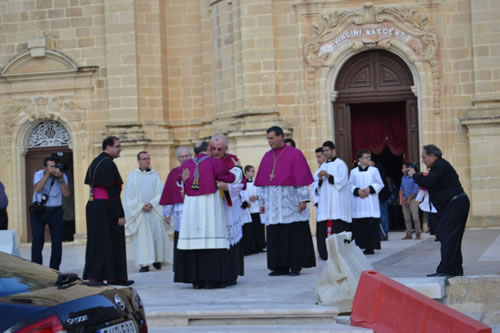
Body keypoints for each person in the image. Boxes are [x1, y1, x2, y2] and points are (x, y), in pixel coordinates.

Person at [175, 141, 241, 288]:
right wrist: (238, 168)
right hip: (210, 204)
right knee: (212, 242)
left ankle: (197, 281)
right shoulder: (215, 162)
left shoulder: (186, 164)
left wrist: (184, 182)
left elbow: (180, 181)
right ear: (209, 149)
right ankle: (212, 280)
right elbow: (230, 178)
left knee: (195, 243)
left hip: (192, 207)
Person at [255, 126, 316, 276]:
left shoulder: (295, 154)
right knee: (276, 235)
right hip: (273, 203)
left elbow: (301, 179)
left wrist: (303, 200)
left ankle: (295, 265)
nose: (269, 141)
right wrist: (261, 202)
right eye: (268, 138)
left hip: (291, 201)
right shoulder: (267, 156)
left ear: (281, 136)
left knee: (293, 234)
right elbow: (262, 182)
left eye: (271, 138)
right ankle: (279, 266)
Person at [408, 144, 469, 277]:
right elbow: (430, 181)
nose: (423, 161)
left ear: (433, 156)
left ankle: (446, 269)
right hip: (453, 204)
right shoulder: (439, 166)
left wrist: (414, 175)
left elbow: (428, 182)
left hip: (455, 203)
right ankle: (455, 269)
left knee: (447, 235)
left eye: (424, 157)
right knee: (450, 236)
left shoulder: (440, 165)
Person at [83, 136, 133, 286]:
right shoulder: (108, 164)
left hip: (94, 206)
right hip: (106, 207)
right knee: (112, 240)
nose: (120, 149)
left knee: (97, 242)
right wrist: (120, 215)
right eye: (117, 146)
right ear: (108, 147)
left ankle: (95, 275)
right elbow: (112, 192)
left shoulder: (96, 161)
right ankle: (115, 277)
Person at [124, 151, 173, 272]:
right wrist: (140, 206)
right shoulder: (132, 176)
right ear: (139, 161)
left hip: (154, 210)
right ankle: (144, 264)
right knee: (142, 239)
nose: (147, 161)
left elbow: (160, 192)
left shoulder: (155, 175)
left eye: (148, 158)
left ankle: (157, 260)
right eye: (144, 159)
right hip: (140, 212)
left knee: (157, 236)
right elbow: (129, 195)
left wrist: (152, 203)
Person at [209, 134, 245, 285]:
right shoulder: (206, 160)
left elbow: (240, 182)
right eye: (213, 148)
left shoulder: (232, 160)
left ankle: (231, 273)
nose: (216, 152)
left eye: (219, 149)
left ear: (226, 148)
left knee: (230, 239)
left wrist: (226, 186)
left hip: (228, 204)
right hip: (211, 205)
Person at [30, 156, 70, 270]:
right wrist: (47, 175)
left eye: (55, 166)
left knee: (57, 241)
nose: (54, 169)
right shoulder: (39, 174)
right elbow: (37, 189)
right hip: (39, 211)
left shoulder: (62, 176)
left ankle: (54, 269)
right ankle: (37, 269)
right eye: (52, 166)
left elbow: (66, 194)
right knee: (38, 240)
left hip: (56, 211)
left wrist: (61, 179)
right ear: (45, 168)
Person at [316, 141, 352, 260]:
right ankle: (324, 253)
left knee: (338, 226)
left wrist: (328, 176)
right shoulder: (323, 165)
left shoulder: (340, 164)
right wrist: (320, 179)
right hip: (325, 202)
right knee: (323, 227)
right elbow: (317, 186)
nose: (325, 153)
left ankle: (340, 253)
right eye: (324, 151)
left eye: (327, 150)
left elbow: (342, 181)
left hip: (337, 201)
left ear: (333, 150)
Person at [159, 147, 193, 269]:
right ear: (177, 159)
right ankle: (182, 266)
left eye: (187, 156)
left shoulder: (198, 170)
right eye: (181, 157)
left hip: (195, 209)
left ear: (192, 156)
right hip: (180, 210)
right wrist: (167, 212)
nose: (184, 159)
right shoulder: (174, 173)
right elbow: (169, 192)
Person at [348, 149, 384, 255]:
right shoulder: (353, 172)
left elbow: (380, 183)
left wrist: (369, 189)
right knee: (360, 225)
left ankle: (371, 247)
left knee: (371, 225)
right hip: (359, 202)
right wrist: (357, 190)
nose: (369, 159)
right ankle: (360, 245)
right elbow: (350, 185)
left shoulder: (374, 170)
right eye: (366, 157)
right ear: (360, 159)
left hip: (370, 201)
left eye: (369, 157)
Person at [240, 165, 266, 255]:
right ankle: (250, 248)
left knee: (258, 229)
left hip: (257, 208)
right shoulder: (242, 183)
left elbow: (262, 192)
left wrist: (257, 197)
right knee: (249, 230)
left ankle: (260, 246)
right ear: (246, 172)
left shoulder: (256, 182)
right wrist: (246, 201)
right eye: (251, 171)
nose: (253, 173)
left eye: (253, 171)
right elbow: (241, 194)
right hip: (248, 210)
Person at [368, 160, 391, 241]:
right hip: (373, 195)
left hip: (381, 195)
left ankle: (384, 234)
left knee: (383, 215)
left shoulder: (378, 169)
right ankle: (377, 233)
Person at [400, 162, 421, 239]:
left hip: (413, 199)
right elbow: (401, 188)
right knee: (407, 218)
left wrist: (409, 199)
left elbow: (416, 189)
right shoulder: (403, 178)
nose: (403, 169)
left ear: (409, 168)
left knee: (415, 217)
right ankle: (409, 234)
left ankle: (418, 233)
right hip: (405, 199)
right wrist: (402, 199)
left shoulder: (414, 177)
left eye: (404, 168)